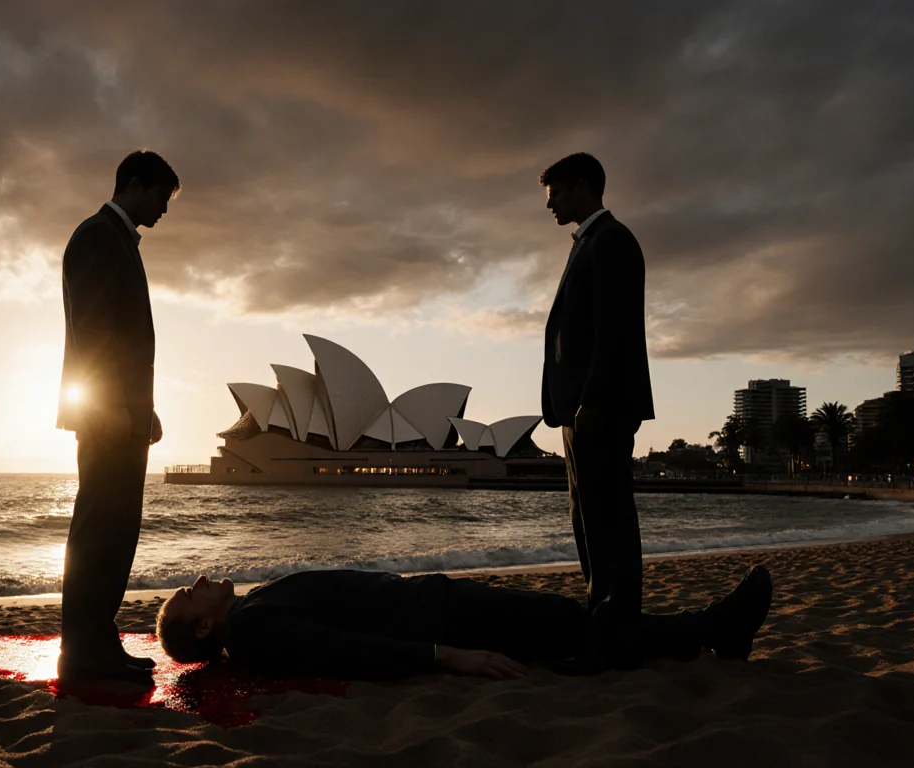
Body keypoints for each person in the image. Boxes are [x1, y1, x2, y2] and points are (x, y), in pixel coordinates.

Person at [155, 566, 773, 680]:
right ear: (205, 628)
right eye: (191, 593)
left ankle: (705, 629)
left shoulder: (251, 617)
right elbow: (344, 649)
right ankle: (711, 628)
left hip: (437, 607)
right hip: (444, 621)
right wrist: (446, 655)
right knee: (565, 622)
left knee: (566, 622)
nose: (200, 581)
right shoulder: (255, 630)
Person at [55, 150, 179, 684]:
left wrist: (143, 409)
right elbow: (95, 332)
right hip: (107, 416)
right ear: (134, 184)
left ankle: (98, 639)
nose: (164, 211)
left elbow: (123, 341)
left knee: (117, 528)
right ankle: (83, 650)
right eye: (161, 198)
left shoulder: (116, 238)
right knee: (100, 528)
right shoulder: (98, 236)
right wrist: (112, 407)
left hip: (123, 414)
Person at [539, 153, 654, 631]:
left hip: (599, 406)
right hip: (583, 406)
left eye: (556, 195)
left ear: (582, 187)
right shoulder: (590, 242)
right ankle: (601, 617)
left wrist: (592, 399)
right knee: (587, 518)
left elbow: (614, 330)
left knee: (606, 518)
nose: (550, 206)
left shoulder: (611, 240)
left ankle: (614, 625)